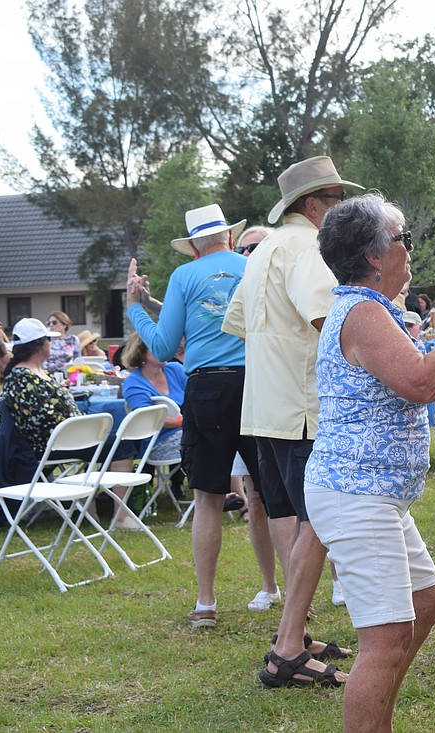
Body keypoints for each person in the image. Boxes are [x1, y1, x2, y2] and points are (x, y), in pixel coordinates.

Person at [304, 192, 435, 730]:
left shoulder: (369, 309)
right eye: (405, 239)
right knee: (386, 639)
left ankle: (376, 711)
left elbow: (423, 376)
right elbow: (421, 383)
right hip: (357, 495)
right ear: (375, 255)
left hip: (372, 495)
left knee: (428, 602)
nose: (411, 251)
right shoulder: (365, 312)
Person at [223, 155, 363, 686]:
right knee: (316, 521)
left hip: (265, 404)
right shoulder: (308, 247)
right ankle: (288, 648)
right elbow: (330, 319)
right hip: (304, 405)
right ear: (313, 205)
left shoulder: (263, 250)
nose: (343, 211)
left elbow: (238, 322)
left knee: (290, 515)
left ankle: (294, 633)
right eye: (336, 202)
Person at [126, 203, 262, 629]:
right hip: (259, 383)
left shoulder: (185, 276)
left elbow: (164, 347)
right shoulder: (250, 267)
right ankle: (294, 596)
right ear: (229, 236)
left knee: (206, 497)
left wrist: (135, 308)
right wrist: (152, 302)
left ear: (192, 247)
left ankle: (206, 603)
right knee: (273, 496)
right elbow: (224, 313)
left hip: (206, 388)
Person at [1, 318, 139, 525]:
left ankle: (91, 502)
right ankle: (119, 515)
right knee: (121, 443)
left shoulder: (34, 373)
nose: (52, 344)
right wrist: (80, 426)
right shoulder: (22, 378)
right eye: (49, 340)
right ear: (40, 345)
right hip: (51, 444)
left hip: (66, 439)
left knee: (118, 438)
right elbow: (40, 421)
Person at [229, 222, 282, 615]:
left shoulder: (290, 278)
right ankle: (270, 586)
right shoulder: (243, 290)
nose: (249, 256)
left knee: (309, 503)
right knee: (258, 500)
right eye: (244, 250)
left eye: (256, 248)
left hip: (293, 406)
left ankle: (334, 581)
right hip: (254, 407)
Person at [120, 333, 187, 463]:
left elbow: (197, 396)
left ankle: (231, 483)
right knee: (210, 443)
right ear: (141, 352)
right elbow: (149, 419)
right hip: (158, 443)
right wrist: (188, 422)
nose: (165, 350)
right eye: (157, 347)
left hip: (189, 434)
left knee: (224, 438)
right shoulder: (133, 383)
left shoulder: (176, 369)